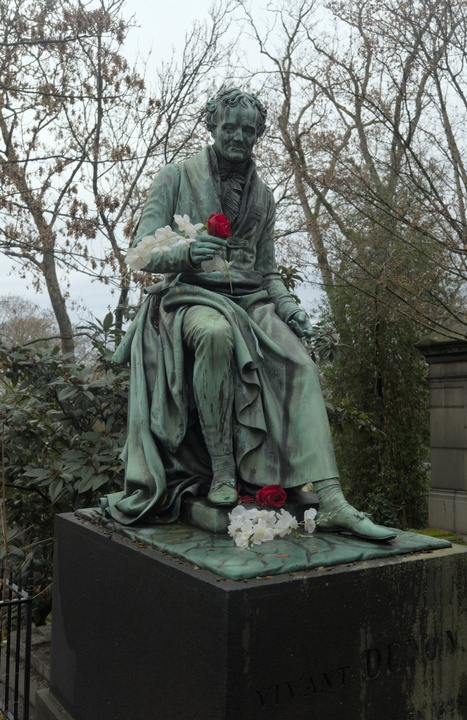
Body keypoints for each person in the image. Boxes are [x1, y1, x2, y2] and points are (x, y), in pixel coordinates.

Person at [102, 88, 395, 542]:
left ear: (258, 133)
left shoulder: (265, 196)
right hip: (191, 298)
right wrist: (186, 251)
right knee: (215, 335)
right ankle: (223, 470)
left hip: (253, 300)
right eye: (229, 126)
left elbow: (268, 270)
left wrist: (291, 306)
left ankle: (331, 498)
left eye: (248, 129)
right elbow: (139, 253)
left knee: (301, 364)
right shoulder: (175, 177)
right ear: (212, 126)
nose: (239, 135)